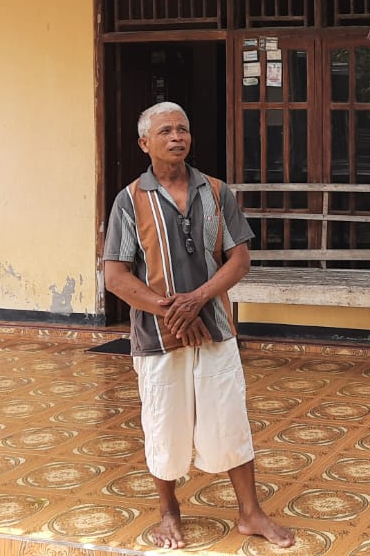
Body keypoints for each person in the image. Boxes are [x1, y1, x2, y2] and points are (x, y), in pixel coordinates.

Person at [102, 101, 294, 550]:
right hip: (157, 336)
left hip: (215, 328)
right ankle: (169, 513)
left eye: (183, 129)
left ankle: (250, 513)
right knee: (164, 423)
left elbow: (239, 259)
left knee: (229, 419)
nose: (177, 137)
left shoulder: (216, 191)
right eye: (165, 130)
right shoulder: (129, 200)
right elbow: (115, 276)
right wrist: (170, 309)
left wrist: (197, 299)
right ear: (144, 143)